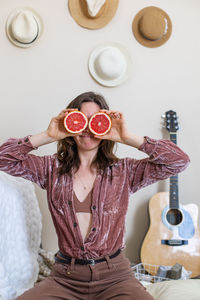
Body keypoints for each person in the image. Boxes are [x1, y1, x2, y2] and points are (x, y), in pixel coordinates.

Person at [0, 91, 190, 300]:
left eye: (96, 121)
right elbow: (3, 159)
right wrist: (49, 135)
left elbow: (178, 161)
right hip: (65, 278)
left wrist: (127, 137)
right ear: (70, 123)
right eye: (81, 120)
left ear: (106, 125)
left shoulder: (124, 171)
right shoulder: (49, 168)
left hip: (116, 278)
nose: (88, 128)